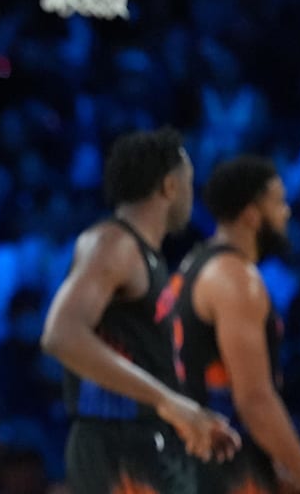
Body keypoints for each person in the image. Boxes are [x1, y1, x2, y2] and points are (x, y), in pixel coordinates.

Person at [40, 126, 240, 494]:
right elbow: (61, 335)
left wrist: (186, 413)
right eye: (189, 182)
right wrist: (167, 402)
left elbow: (143, 359)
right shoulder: (113, 243)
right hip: (115, 443)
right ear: (169, 187)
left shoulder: (144, 255)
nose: (192, 195)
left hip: (143, 439)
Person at [172, 155, 300, 494]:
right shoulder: (236, 278)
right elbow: (253, 399)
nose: (286, 213)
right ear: (251, 215)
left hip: (195, 458)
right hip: (224, 465)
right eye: (278, 203)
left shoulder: (195, 263)